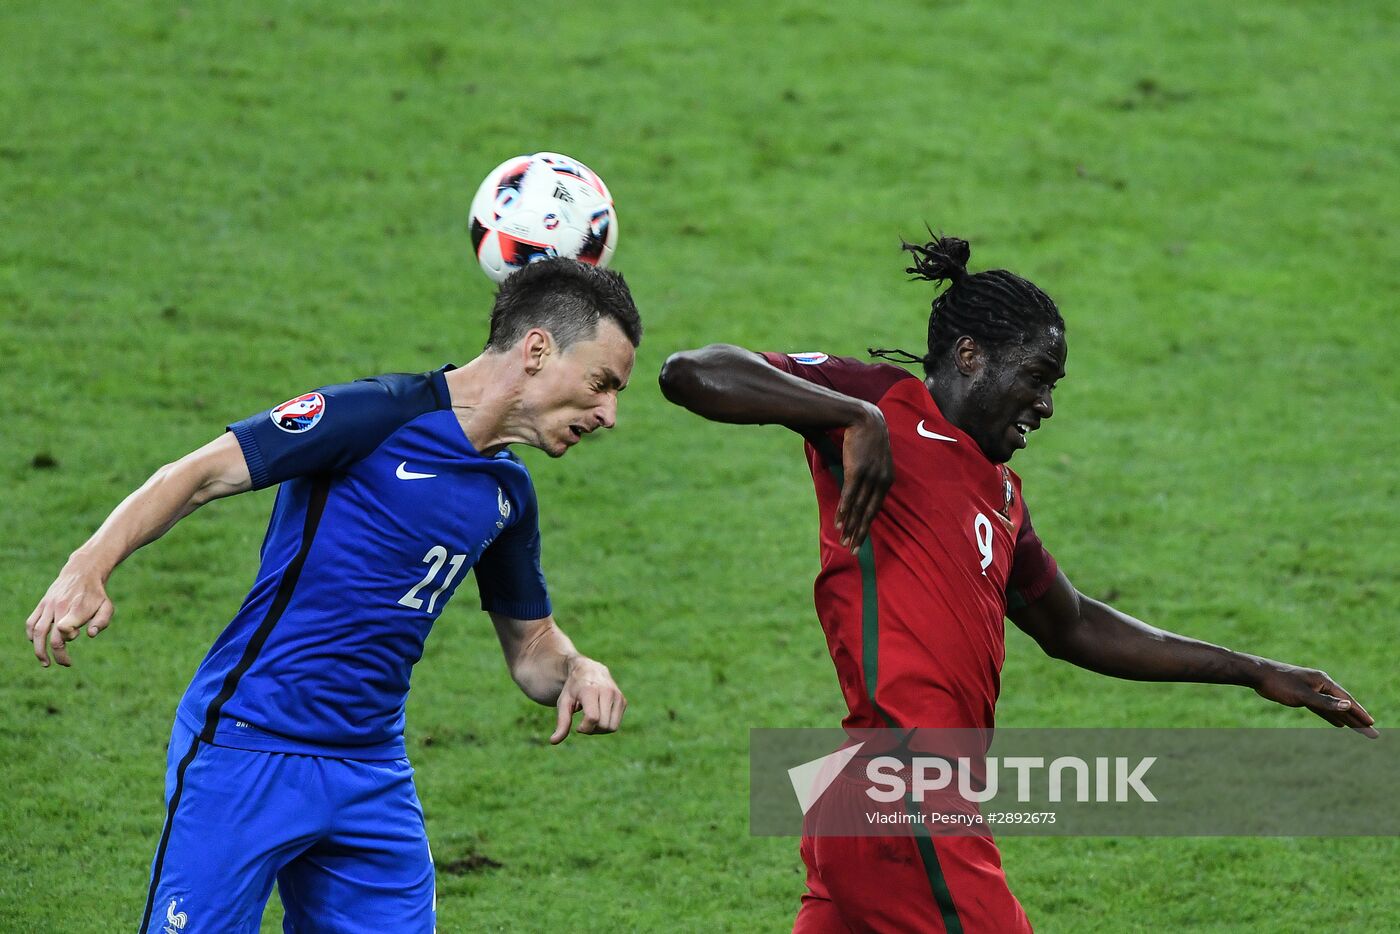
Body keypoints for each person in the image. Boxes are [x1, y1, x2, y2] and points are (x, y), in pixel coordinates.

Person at [658, 235, 1377, 934]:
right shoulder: (884, 404)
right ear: (970, 357)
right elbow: (691, 372)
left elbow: (1074, 626)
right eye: (1036, 377)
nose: (1046, 404)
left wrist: (1254, 671)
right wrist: (852, 415)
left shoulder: (1001, 494)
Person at [26, 258, 641, 933]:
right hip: (246, 750)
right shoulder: (373, 416)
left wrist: (576, 667)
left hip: (371, 771)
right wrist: (89, 564)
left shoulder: (506, 495)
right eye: (602, 383)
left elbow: (530, 647)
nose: (610, 414)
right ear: (536, 350)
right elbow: (198, 474)